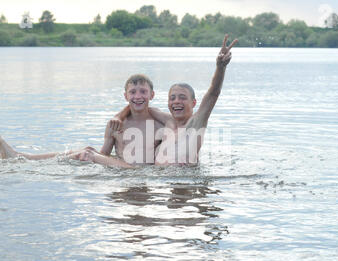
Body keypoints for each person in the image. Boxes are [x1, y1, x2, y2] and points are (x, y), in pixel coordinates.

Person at [84, 34, 238, 166]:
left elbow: (213, 94)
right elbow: (140, 105)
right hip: (162, 183)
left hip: (184, 180)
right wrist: (119, 116)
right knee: (87, 153)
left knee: (89, 154)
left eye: (182, 98)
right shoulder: (168, 123)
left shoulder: (195, 123)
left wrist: (220, 67)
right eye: (172, 98)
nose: (176, 101)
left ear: (193, 103)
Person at [0, 74, 163, 168]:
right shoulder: (115, 124)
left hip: (137, 172)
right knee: (88, 150)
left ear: (152, 95)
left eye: (143, 92)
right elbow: (104, 155)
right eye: (133, 92)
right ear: (126, 96)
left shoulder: (159, 123)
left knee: (88, 153)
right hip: (119, 169)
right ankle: (22, 156)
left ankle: (22, 158)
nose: (138, 96)